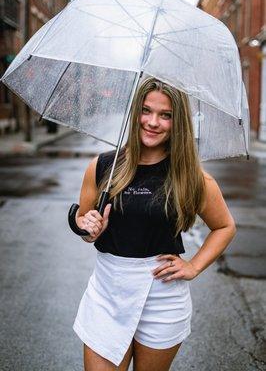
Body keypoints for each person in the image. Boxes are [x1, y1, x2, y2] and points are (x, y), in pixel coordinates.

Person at [72, 77, 236, 371]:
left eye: (165, 115)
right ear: (135, 112)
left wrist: (194, 266)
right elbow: (83, 222)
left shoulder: (190, 178)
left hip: (162, 297)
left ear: (179, 122)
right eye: (146, 111)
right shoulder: (103, 166)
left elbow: (224, 227)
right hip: (108, 292)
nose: (152, 122)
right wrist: (87, 227)